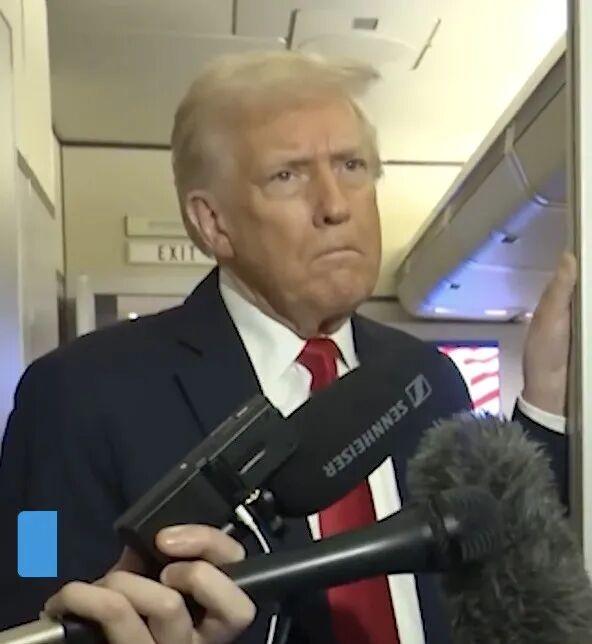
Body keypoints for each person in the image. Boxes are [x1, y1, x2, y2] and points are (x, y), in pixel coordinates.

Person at [0, 51, 575, 644]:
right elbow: (29, 583)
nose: (336, 205)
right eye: (287, 176)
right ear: (213, 223)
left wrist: (545, 400)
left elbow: (500, 568)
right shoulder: (72, 394)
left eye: (352, 165)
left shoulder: (428, 378)